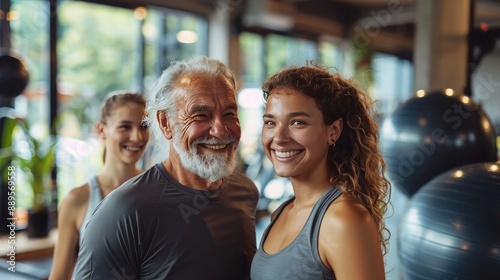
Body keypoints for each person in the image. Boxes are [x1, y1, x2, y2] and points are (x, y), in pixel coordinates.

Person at [74, 56, 259, 280]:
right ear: (165, 123)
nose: (220, 130)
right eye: (201, 115)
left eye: (229, 114)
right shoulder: (124, 210)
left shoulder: (246, 192)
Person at [251, 64, 390, 280]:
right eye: (270, 122)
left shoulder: (344, 219)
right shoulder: (281, 212)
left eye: (298, 122)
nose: (278, 137)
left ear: (333, 130)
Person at [49, 92, 151, 280]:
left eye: (144, 126)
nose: (137, 137)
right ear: (101, 130)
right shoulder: (78, 199)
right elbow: (59, 276)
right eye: (125, 127)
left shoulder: (157, 191)